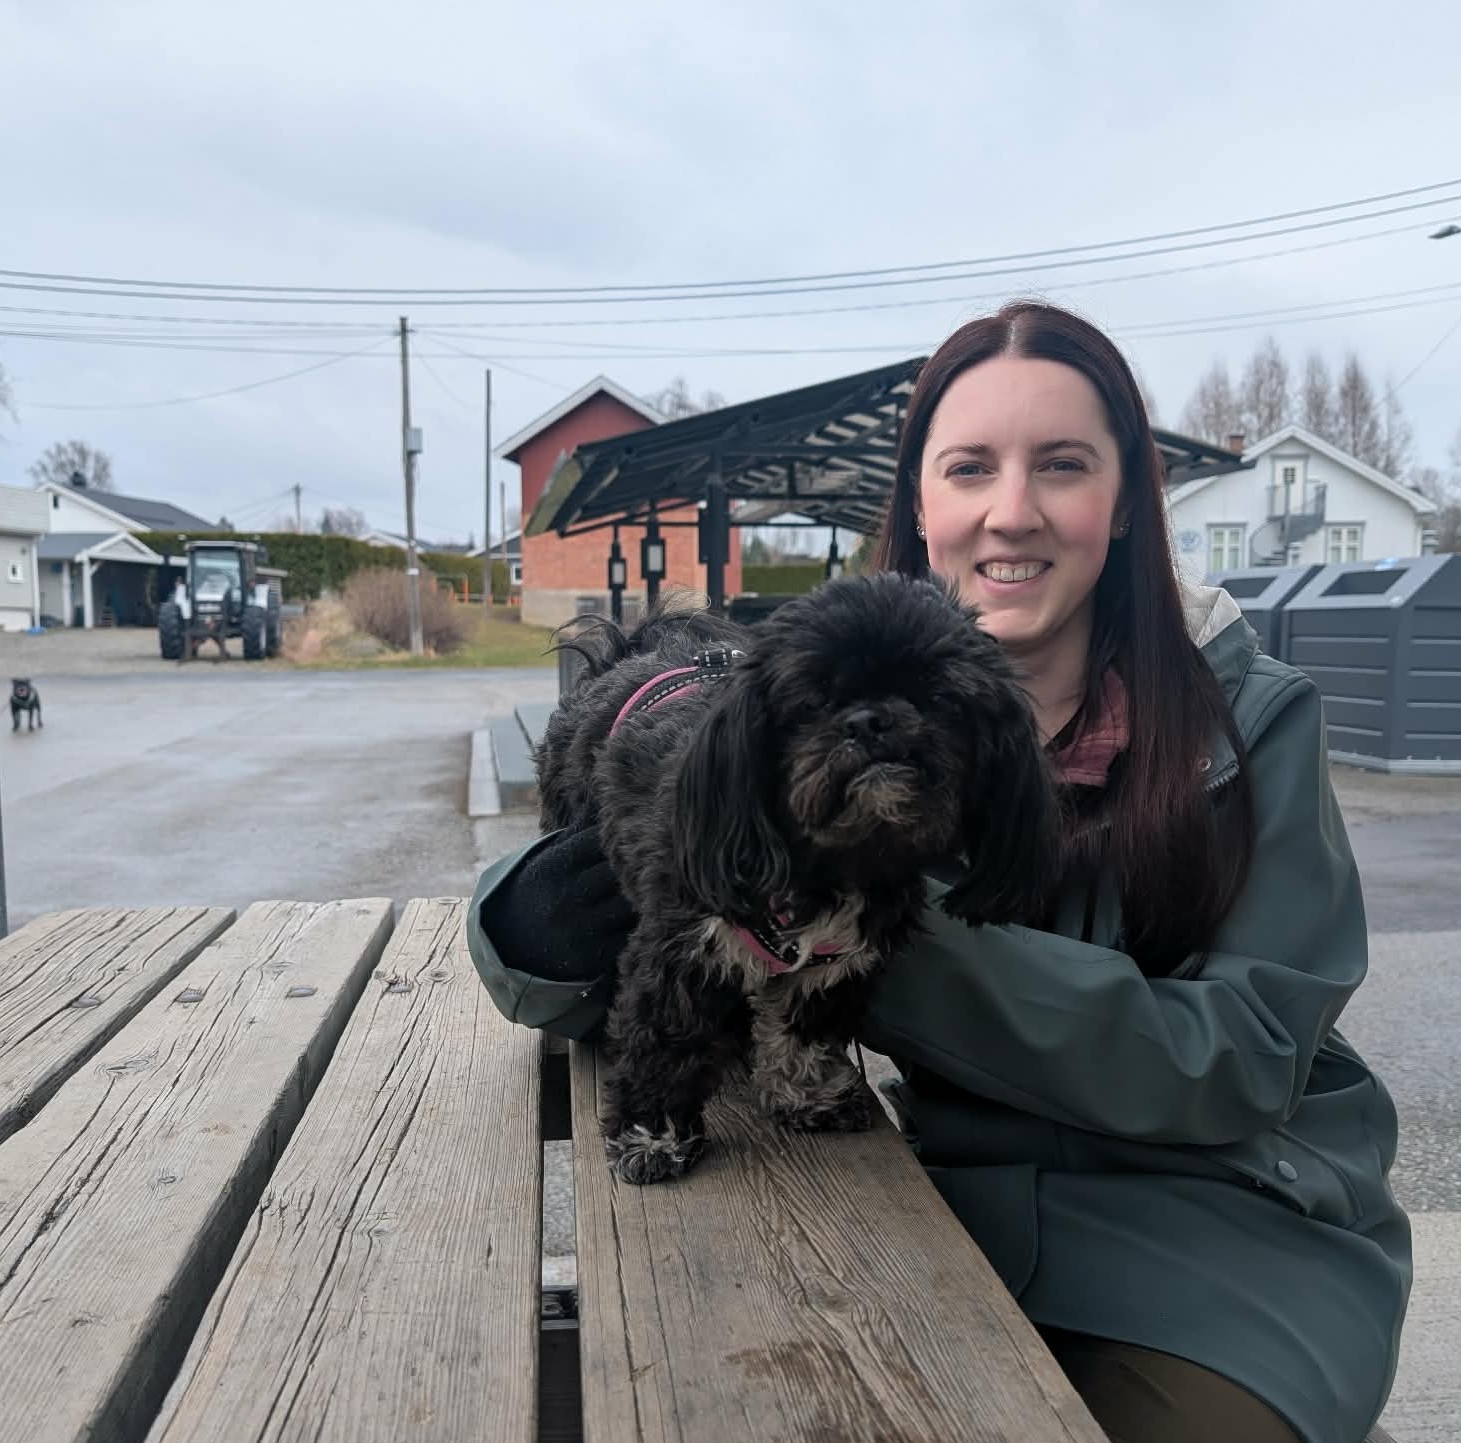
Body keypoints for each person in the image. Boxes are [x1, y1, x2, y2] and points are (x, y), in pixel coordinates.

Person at [467, 301, 1411, 1443]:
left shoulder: (1246, 721)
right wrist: (535, 923)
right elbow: (641, 970)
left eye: (1060, 465)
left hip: (1223, 1237)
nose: (1010, 511)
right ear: (921, 502)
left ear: (1122, 503)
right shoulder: (784, 722)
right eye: (970, 467)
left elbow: (1244, 1060)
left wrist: (862, 938)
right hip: (942, 1198)